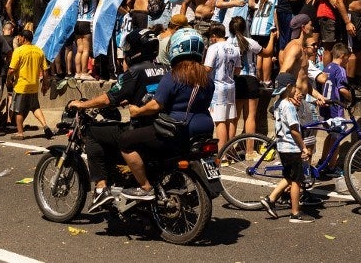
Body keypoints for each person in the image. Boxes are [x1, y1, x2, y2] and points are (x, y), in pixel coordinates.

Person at [66, 28, 168, 212]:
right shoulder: (164, 68)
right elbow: (150, 93)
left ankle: (100, 188)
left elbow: (108, 98)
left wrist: (82, 104)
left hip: (141, 128)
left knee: (93, 133)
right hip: (160, 125)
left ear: (136, 49)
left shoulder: (135, 72)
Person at [120, 28, 213, 200]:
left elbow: (156, 105)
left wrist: (137, 110)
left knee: (126, 140)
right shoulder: (208, 78)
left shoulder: (174, 75)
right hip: (205, 128)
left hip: (178, 129)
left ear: (176, 48)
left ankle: (145, 187)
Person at [259, 72, 314, 223]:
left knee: (289, 176)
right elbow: (294, 130)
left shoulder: (278, 103)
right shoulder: (288, 106)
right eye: (295, 87)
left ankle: (271, 199)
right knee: (296, 180)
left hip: (282, 147)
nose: (297, 90)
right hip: (291, 147)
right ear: (289, 87)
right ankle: (295, 213)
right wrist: (303, 147)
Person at [7, 28, 53, 140]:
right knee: (35, 107)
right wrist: (45, 85)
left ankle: (20, 133)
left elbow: (12, 70)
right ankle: (45, 125)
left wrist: (8, 79)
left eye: (19, 37)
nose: (18, 39)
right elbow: (45, 70)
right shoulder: (39, 51)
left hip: (21, 86)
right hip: (34, 85)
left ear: (23, 38)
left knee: (19, 110)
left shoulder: (18, 51)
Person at [231, 16, 272, 138]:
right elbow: (267, 52)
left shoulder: (227, 42)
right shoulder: (249, 41)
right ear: (244, 28)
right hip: (250, 79)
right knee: (250, 117)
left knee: (235, 118)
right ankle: (250, 151)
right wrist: (272, 38)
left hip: (236, 79)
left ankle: (229, 149)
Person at [204, 22, 240, 145]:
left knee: (220, 122)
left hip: (217, 87)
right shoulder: (235, 48)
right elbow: (237, 70)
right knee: (230, 120)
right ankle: (230, 152)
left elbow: (207, 68)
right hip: (231, 85)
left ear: (214, 35)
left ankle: (222, 155)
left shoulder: (213, 48)